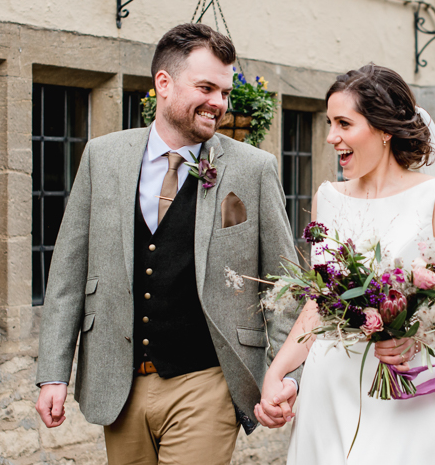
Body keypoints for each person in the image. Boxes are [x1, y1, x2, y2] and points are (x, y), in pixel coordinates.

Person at [34, 24, 300, 464]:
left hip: (207, 382)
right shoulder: (103, 157)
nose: (219, 102)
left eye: (225, 92)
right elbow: (67, 274)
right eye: (206, 87)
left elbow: (284, 284)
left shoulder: (253, 169)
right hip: (119, 383)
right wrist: (52, 374)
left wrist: (288, 374)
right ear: (163, 83)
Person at [258, 64, 435, 465]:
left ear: (384, 129)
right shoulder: (328, 197)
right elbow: (319, 304)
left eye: (343, 123)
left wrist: (414, 334)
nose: (330, 137)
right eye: (328, 123)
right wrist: (279, 371)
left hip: (405, 385)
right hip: (331, 385)